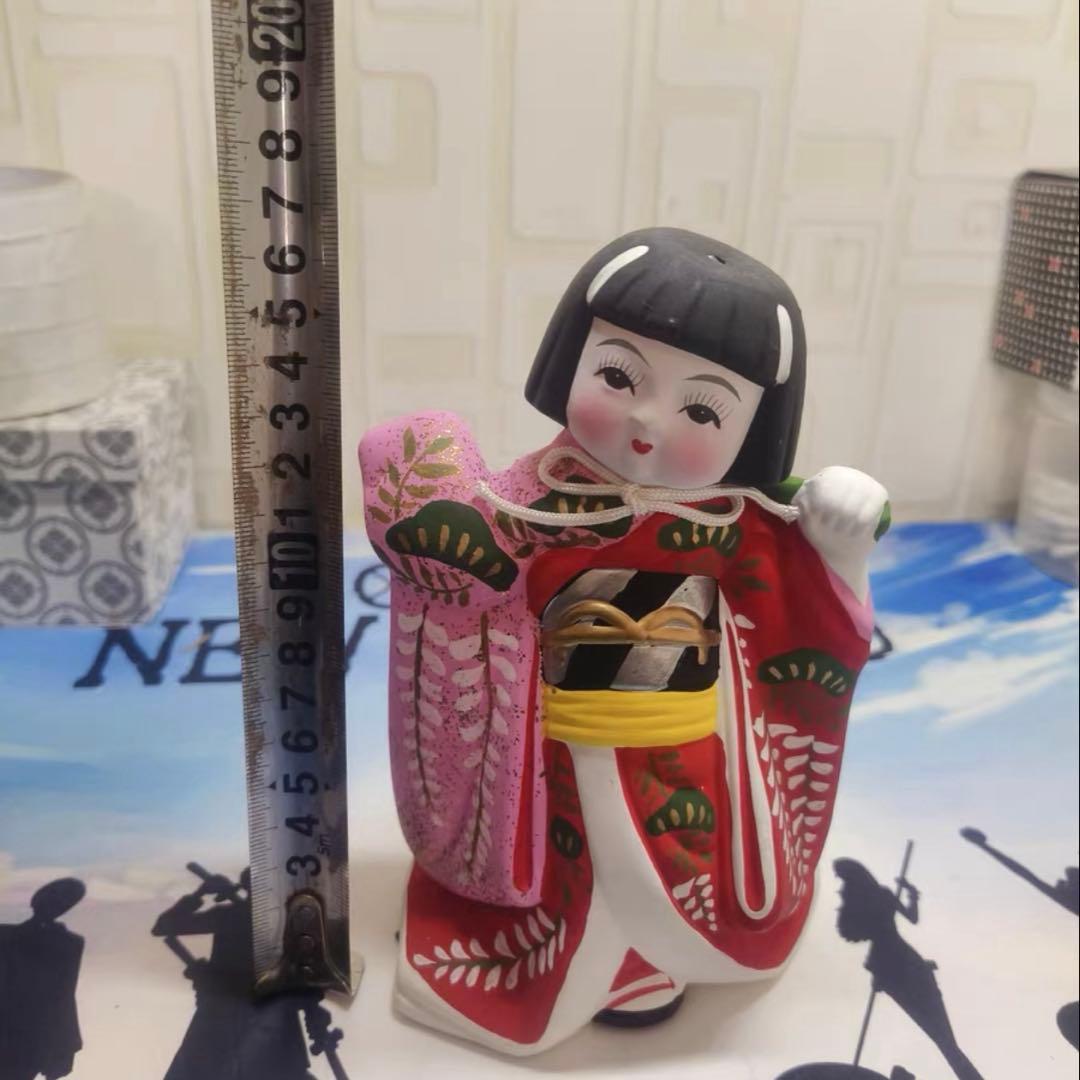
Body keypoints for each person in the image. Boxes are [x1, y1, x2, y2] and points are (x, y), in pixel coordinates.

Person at [359, 228, 888, 1055]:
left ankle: (652, 962)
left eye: (702, 409)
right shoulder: (533, 500)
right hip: (548, 747)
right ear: (570, 357)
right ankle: (545, 948)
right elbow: (459, 567)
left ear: (756, 426)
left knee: (672, 864)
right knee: (564, 854)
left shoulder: (737, 519)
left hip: (687, 748)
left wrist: (839, 547)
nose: (647, 421)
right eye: (618, 376)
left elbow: (804, 614)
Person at [153, 867, 338, 1080]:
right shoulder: (243, 917)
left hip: (249, 1018)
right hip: (229, 1017)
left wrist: (201, 893)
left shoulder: (242, 917)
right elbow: (163, 927)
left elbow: (164, 926)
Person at [834, 859, 983, 1080]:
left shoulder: (865, 903)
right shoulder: (882, 896)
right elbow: (912, 917)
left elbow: (854, 932)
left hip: (891, 967)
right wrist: (911, 894)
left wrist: (911, 894)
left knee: (941, 1035)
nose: (841, 888)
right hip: (902, 965)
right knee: (941, 1035)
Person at [0, 878, 86, 1080]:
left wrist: (67, 1044)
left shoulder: (69, 943)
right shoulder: (69, 943)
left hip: (30, 1040)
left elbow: (64, 995)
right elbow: (64, 995)